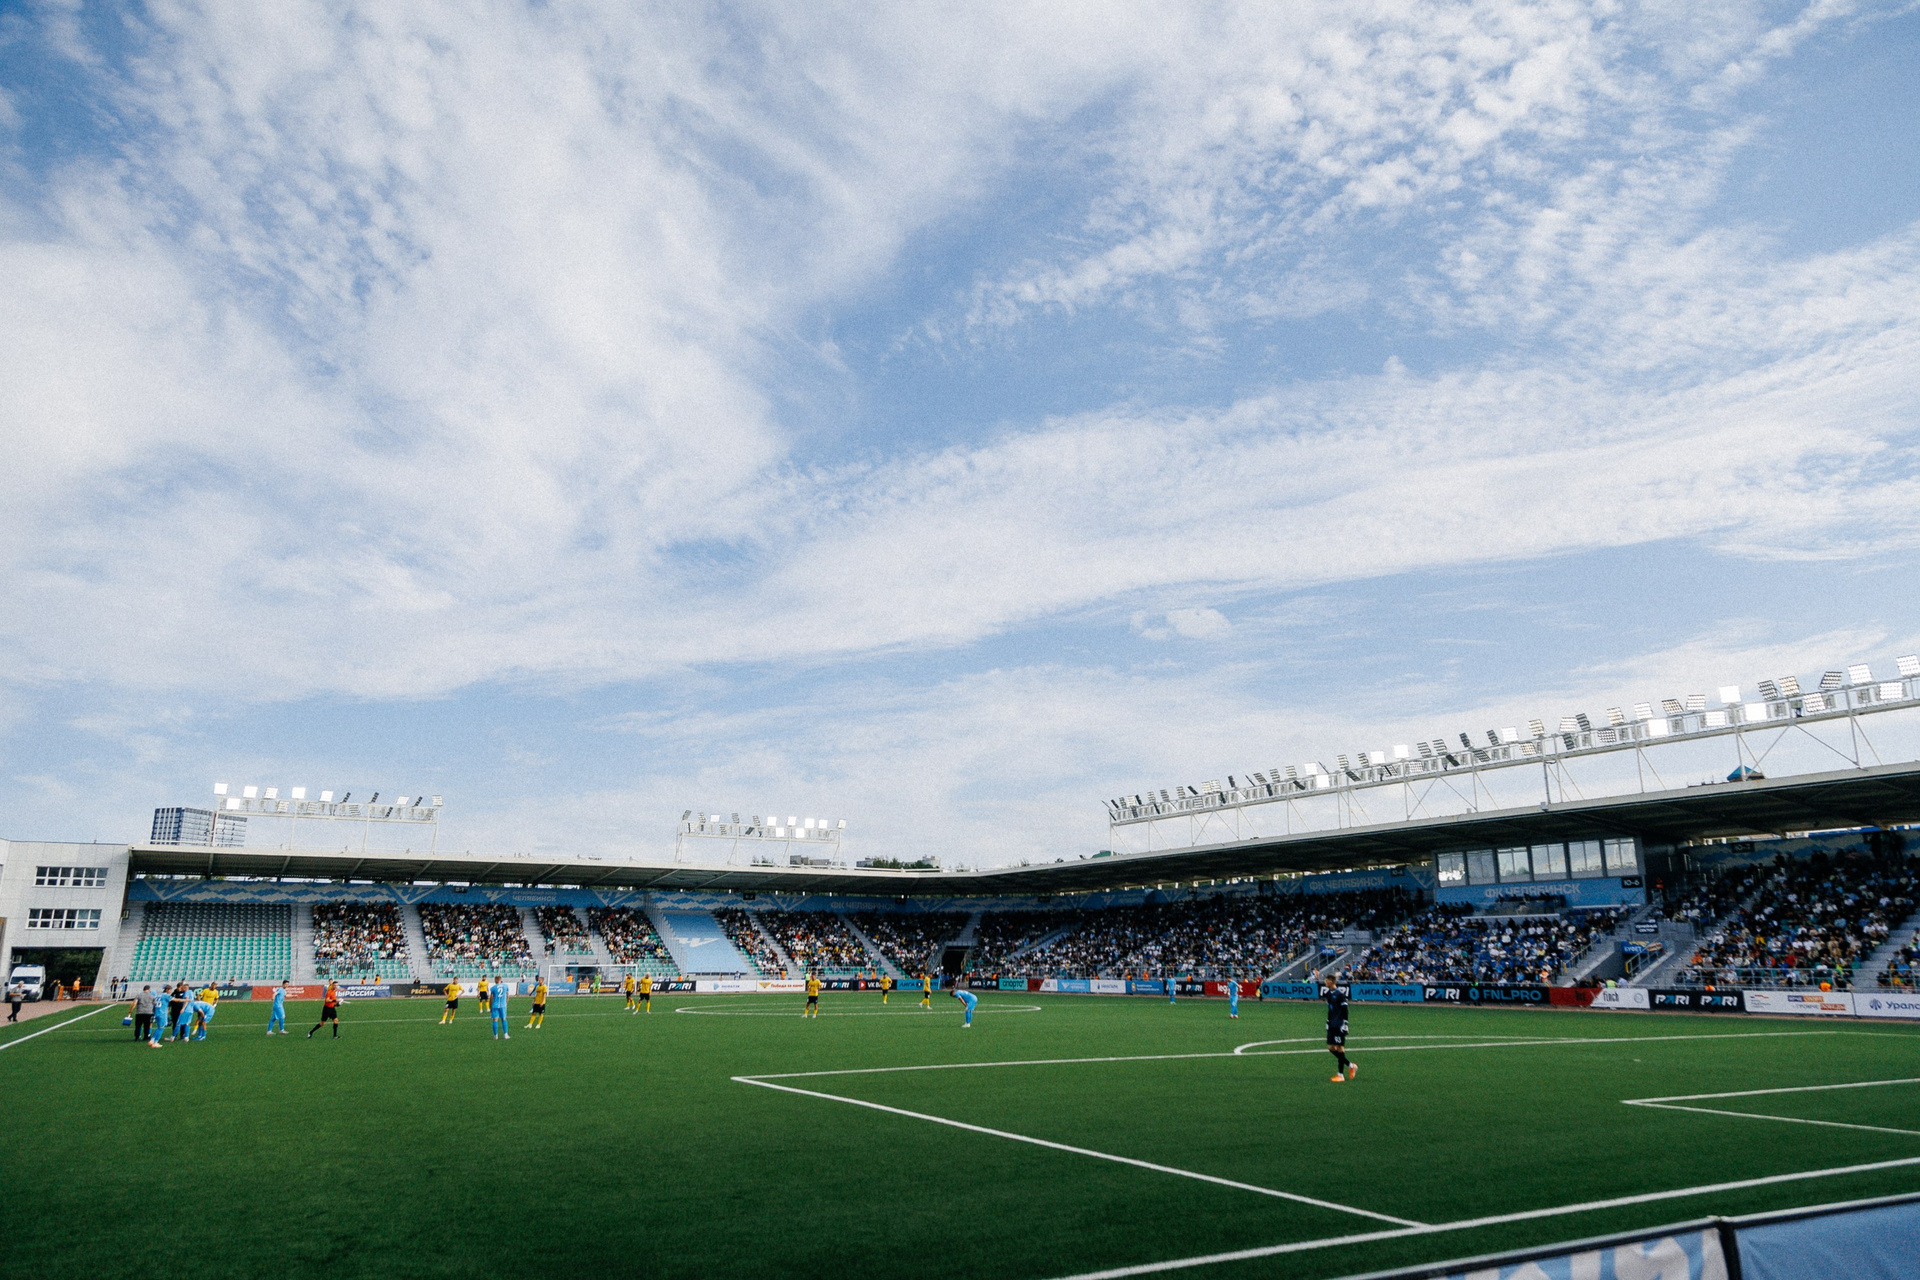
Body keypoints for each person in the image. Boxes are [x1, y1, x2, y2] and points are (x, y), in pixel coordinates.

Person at [1322, 972, 1355, 1083]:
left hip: (1339, 1024)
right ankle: (1350, 1065)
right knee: (1331, 1048)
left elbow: (1345, 1010)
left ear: (1331, 982)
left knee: (1340, 1048)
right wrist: (1328, 1021)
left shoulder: (1340, 994)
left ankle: (1340, 1075)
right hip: (1332, 1023)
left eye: (1327, 981)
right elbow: (1330, 1009)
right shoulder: (1328, 994)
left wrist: (1345, 1023)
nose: (1325, 982)